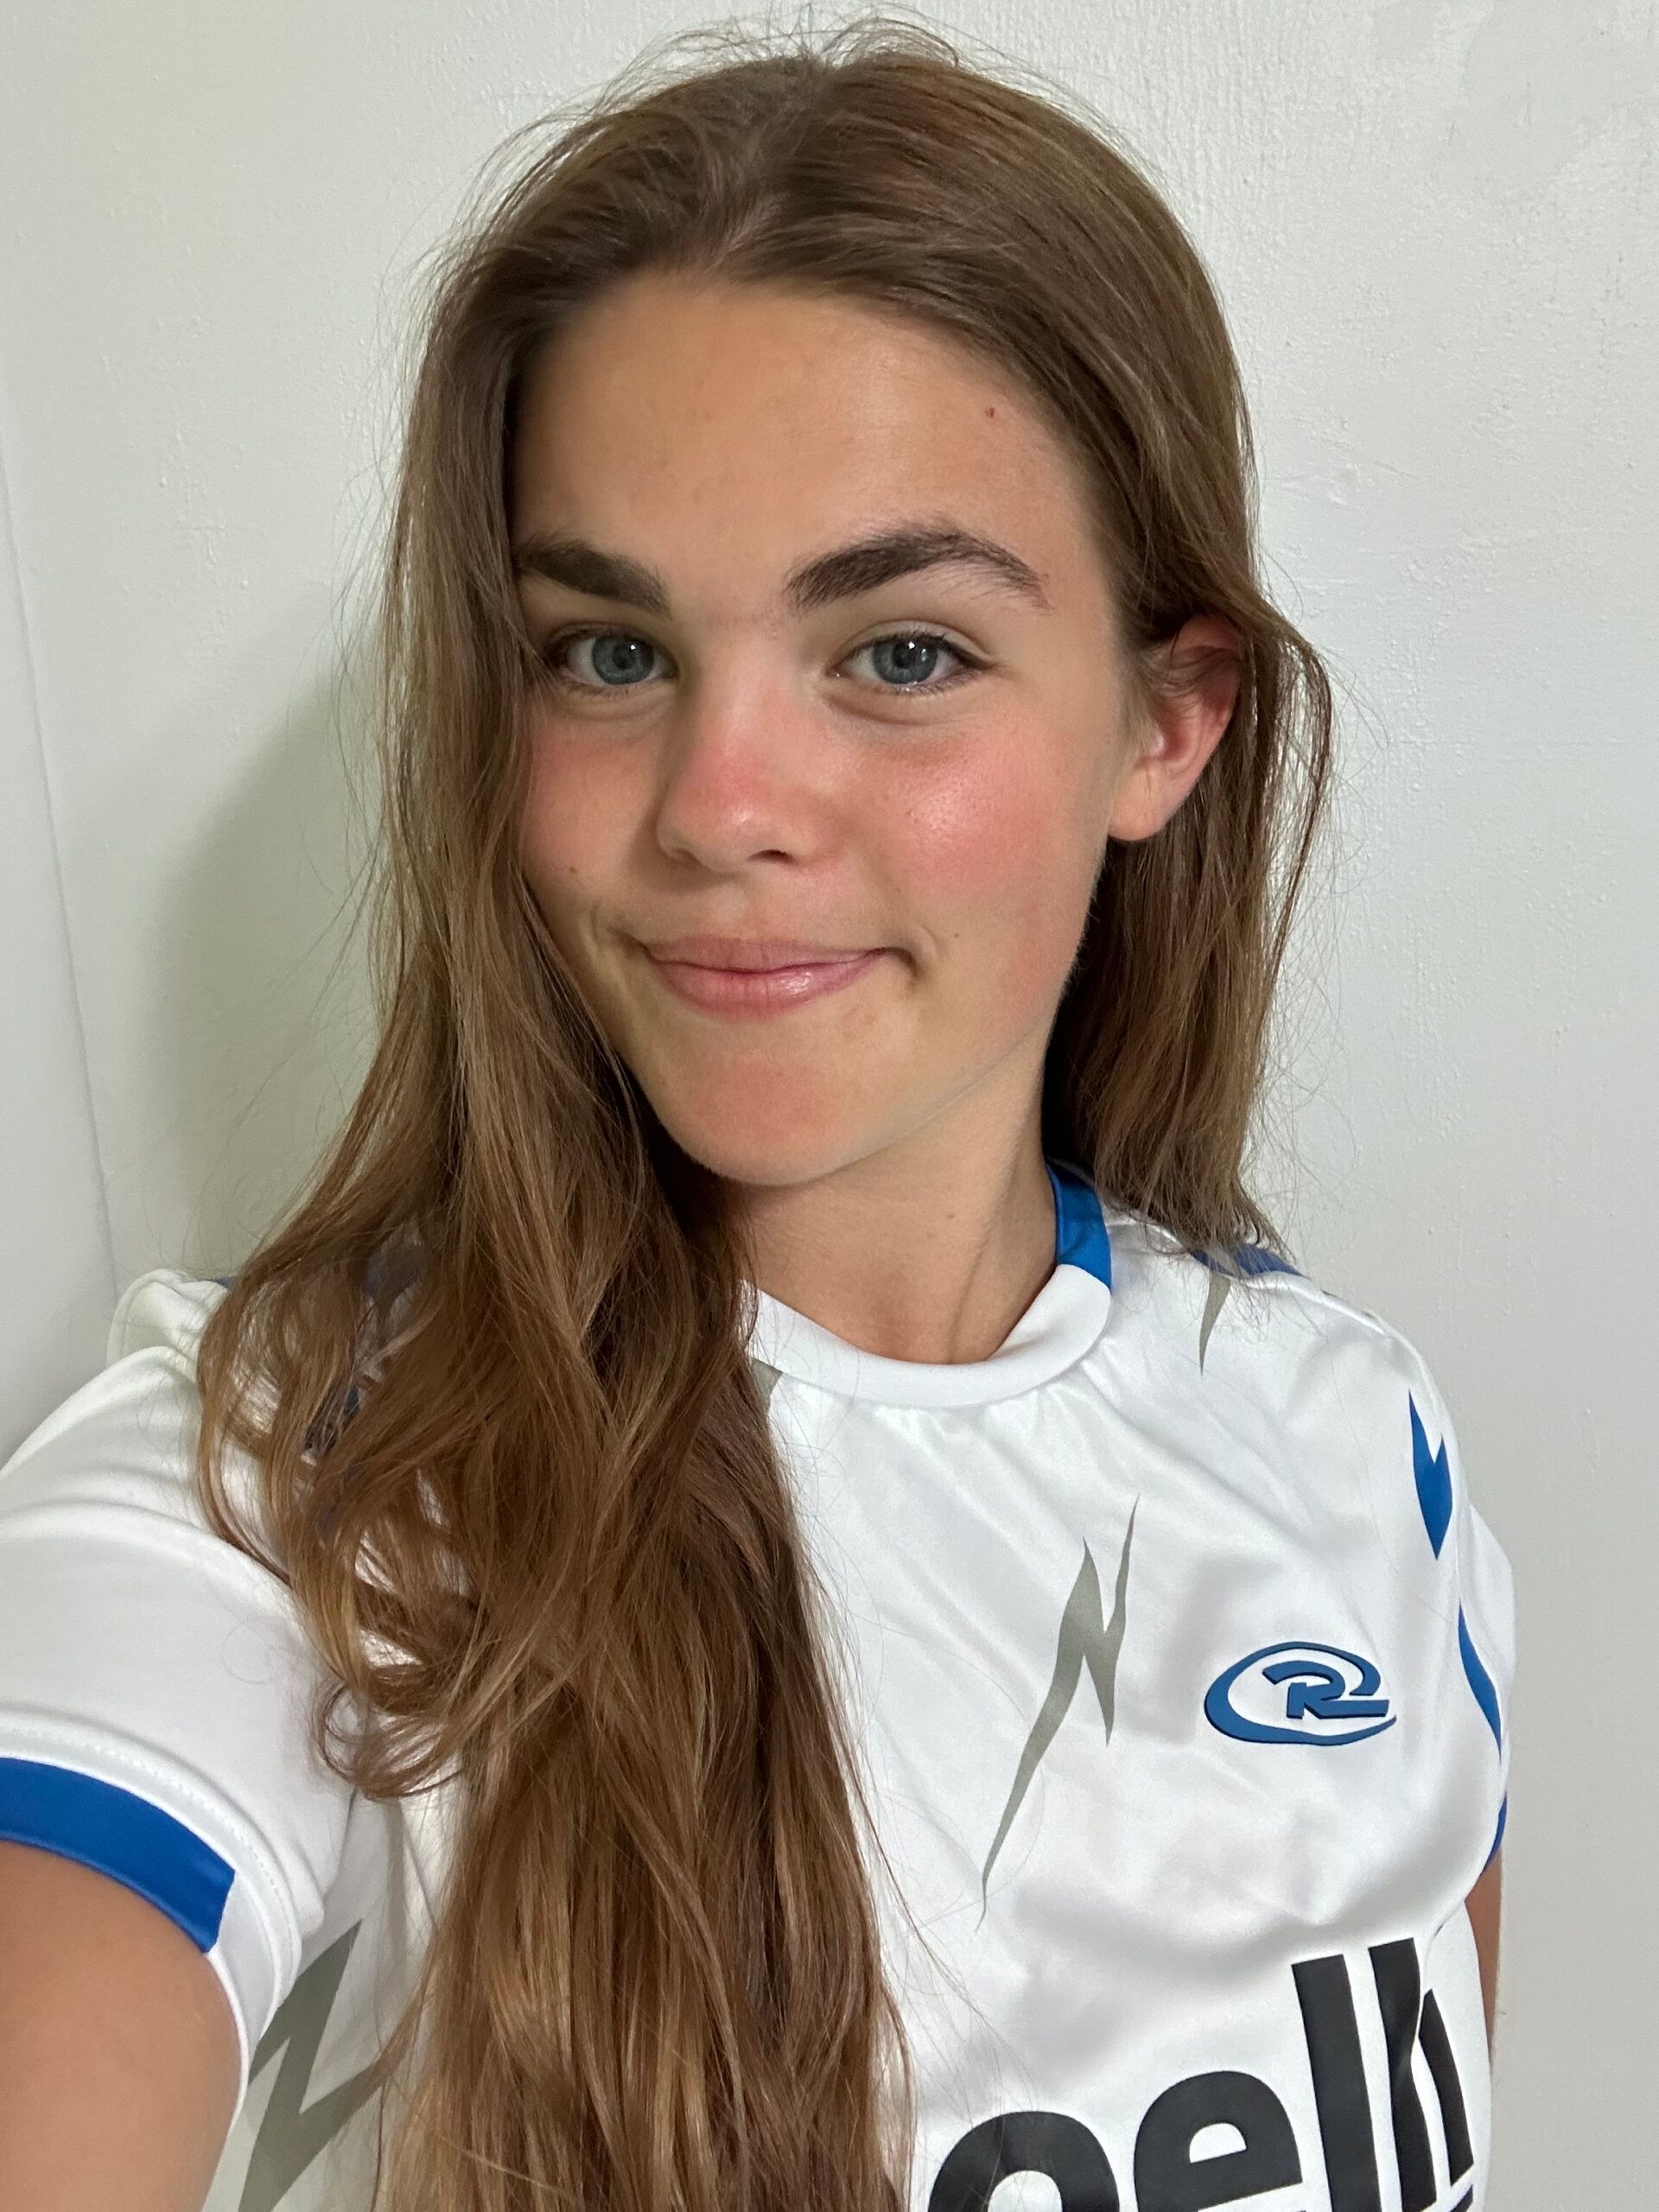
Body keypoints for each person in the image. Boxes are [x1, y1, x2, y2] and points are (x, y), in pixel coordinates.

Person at [0, 16, 1516, 2212]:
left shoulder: (1354, 1435)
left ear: (1165, 728)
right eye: (607, 653)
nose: (716, 807)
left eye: (900, 651)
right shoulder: (280, 1496)